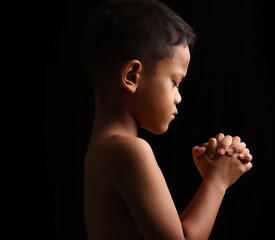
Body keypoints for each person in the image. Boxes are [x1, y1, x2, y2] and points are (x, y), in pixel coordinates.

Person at [82, 0, 253, 239]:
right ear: (132, 76)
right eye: (174, 82)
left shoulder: (99, 151)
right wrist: (216, 182)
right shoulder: (130, 151)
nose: (179, 98)